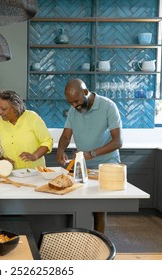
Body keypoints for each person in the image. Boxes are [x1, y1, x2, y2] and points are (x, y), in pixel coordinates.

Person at [56, 78, 123, 233]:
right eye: (70, 102)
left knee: (99, 208)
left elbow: (118, 141)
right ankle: (81, 241)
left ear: (85, 92)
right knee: (80, 203)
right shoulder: (74, 110)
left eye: (76, 101)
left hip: (106, 165)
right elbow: (66, 136)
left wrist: (91, 154)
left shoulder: (108, 106)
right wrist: (60, 150)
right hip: (84, 164)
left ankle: (99, 245)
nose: (74, 106)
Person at [0, 90, 53, 170]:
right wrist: (2, 159)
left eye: (4, 109)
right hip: (11, 174)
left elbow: (47, 141)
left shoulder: (32, 118)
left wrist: (35, 156)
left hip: (35, 173)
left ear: (15, 108)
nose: (0, 112)